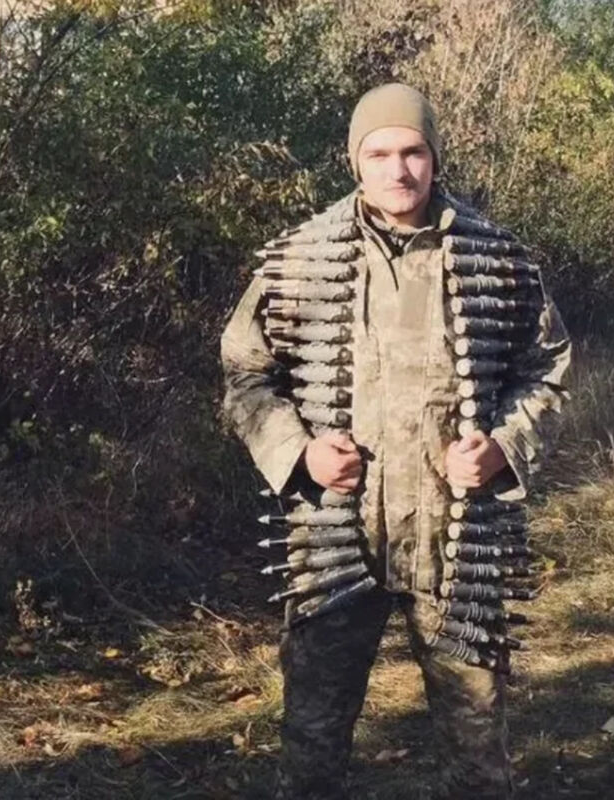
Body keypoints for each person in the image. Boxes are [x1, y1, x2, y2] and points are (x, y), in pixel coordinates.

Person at [220, 83, 572, 799]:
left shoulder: (497, 259)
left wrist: (503, 446)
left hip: (458, 537)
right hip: (332, 535)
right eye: (378, 154)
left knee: (476, 751)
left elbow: (548, 371)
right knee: (312, 744)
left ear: (435, 157)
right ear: (354, 161)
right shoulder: (299, 259)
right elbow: (245, 375)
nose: (398, 170)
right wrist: (299, 453)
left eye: (413, 151)